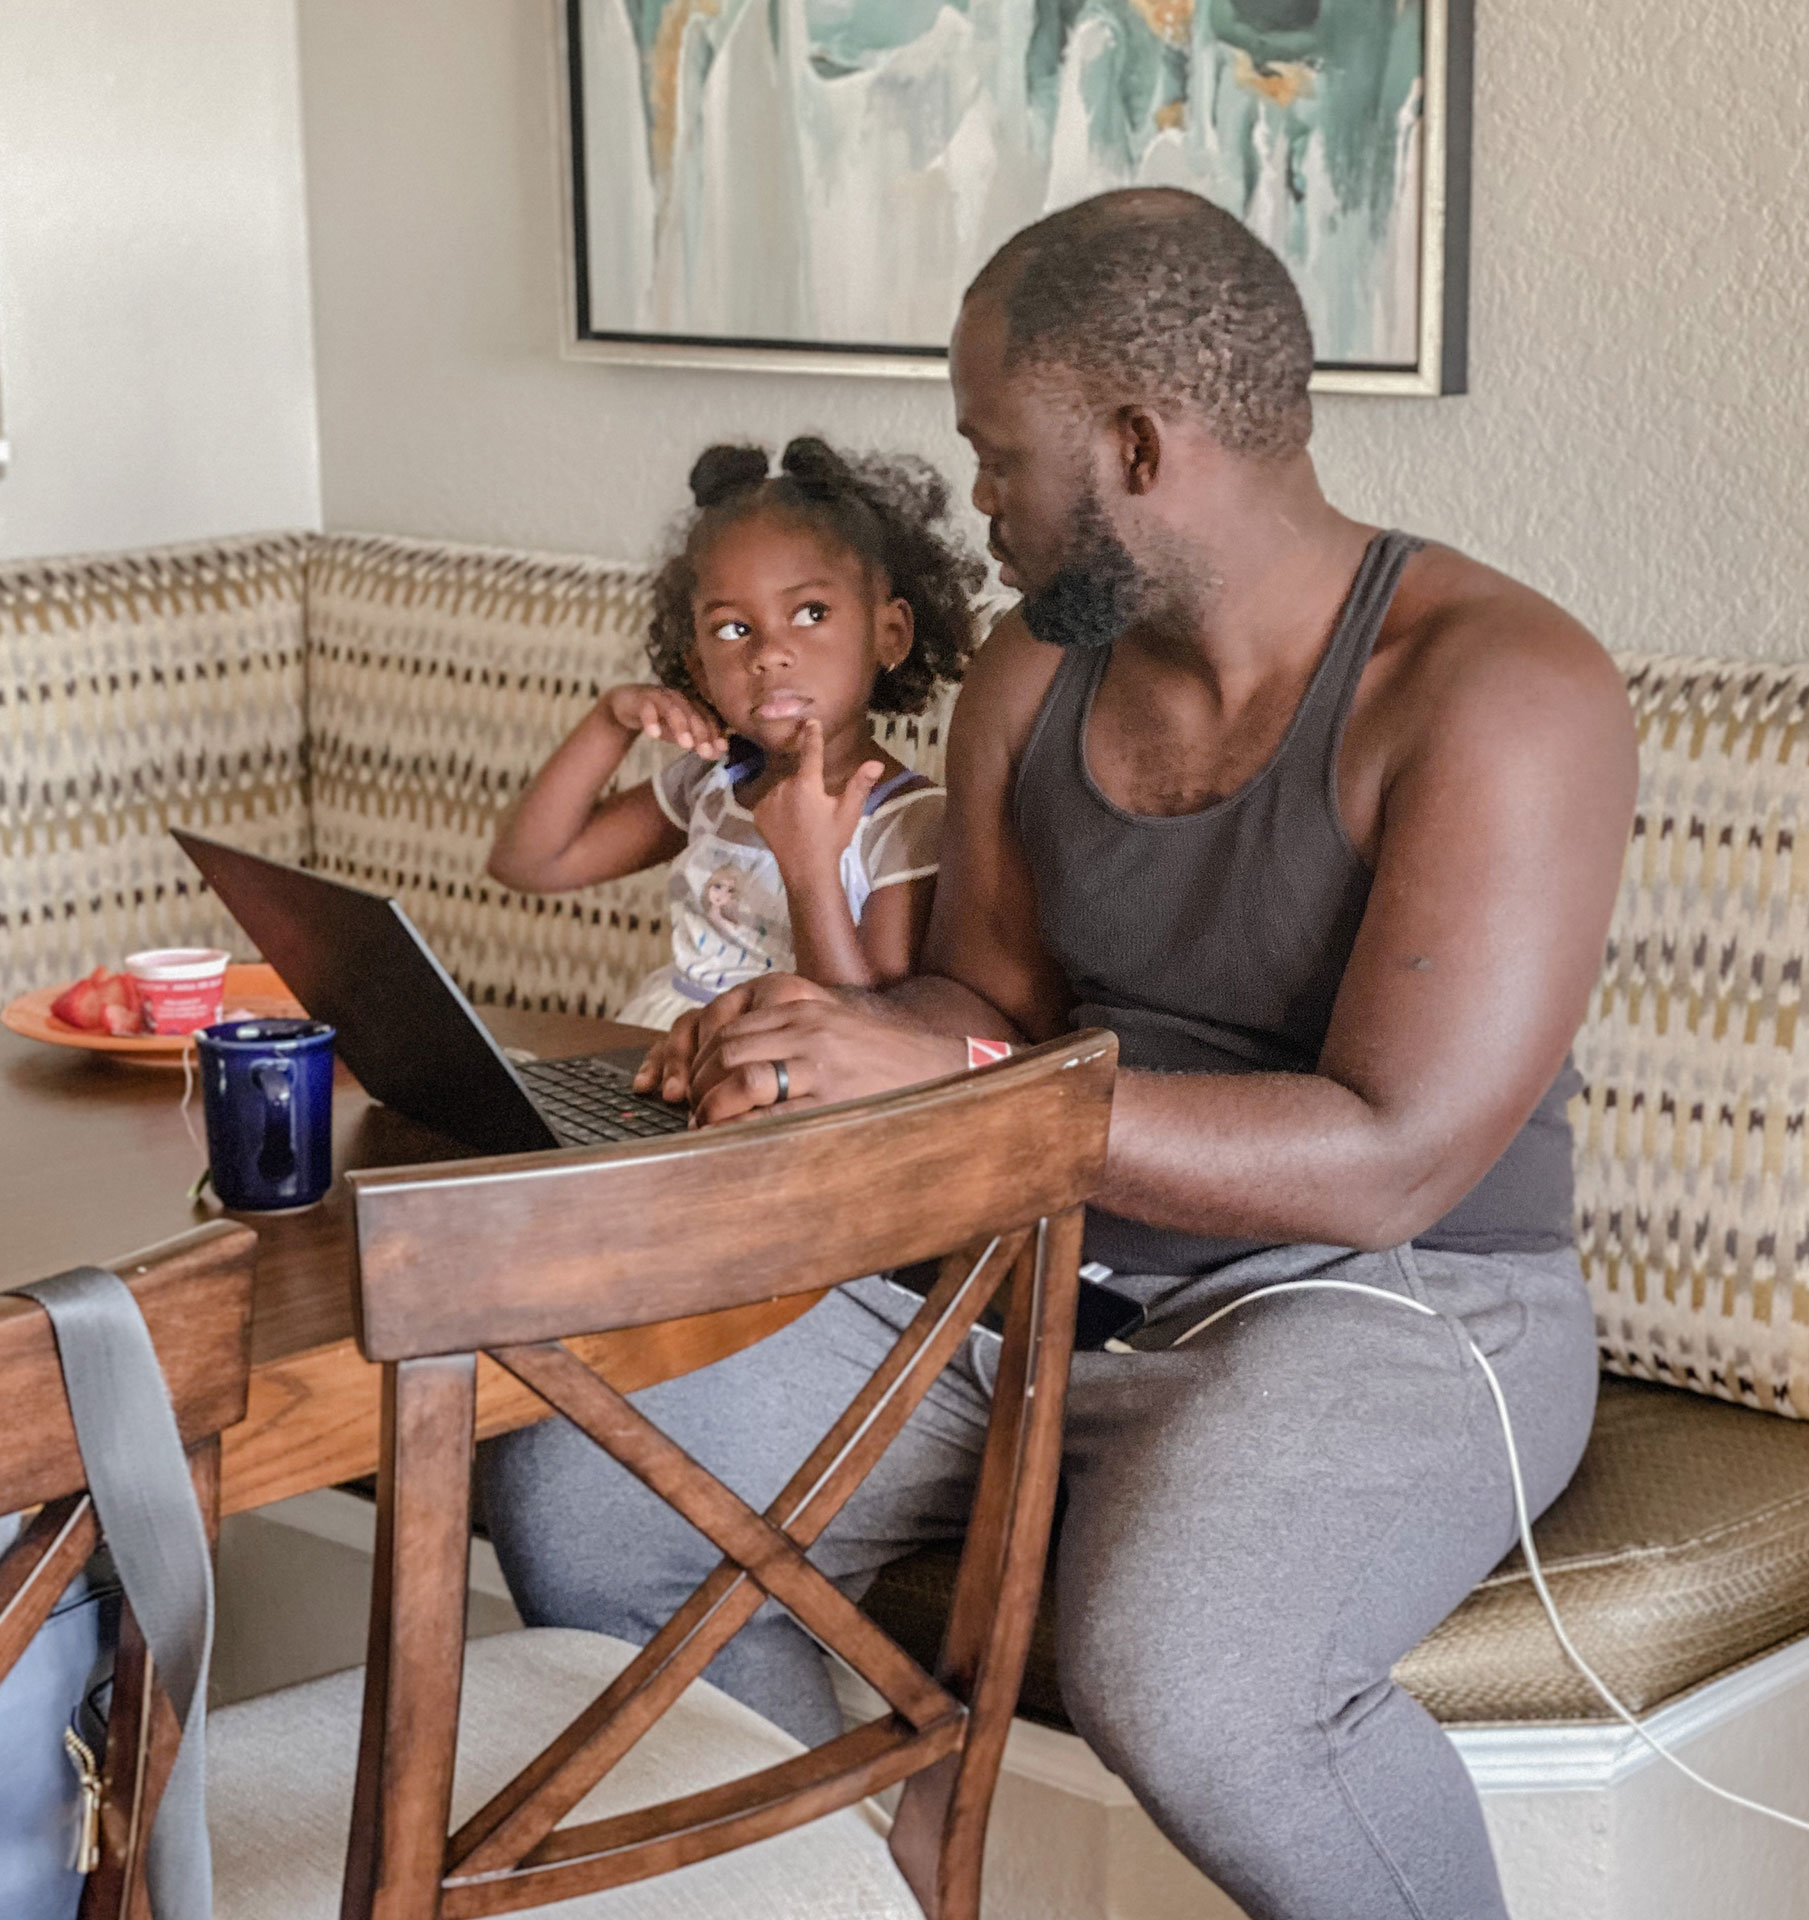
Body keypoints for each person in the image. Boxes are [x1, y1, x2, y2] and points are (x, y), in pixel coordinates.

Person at [480, 192, 1638, 1920]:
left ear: (1137, 447)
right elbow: (984, 1008)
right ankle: (844, 1897)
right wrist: (833, 1033)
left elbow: (1393, 1155)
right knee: (582, 1487)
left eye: (995, 453)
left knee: (1188, 1669)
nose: (978, 505)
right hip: (1039, 1260)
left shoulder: (1498, 687)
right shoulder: (1039, 659)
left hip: (1395, 1302)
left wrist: (951, 1091)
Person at [486, 436, 982, 1025]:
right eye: (731, 629)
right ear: (698, 665)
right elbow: (529, 863)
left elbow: (862, 1033)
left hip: (783, 1084)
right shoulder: (711, 781)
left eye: (811, 613)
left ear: (890, 634)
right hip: (654, 1051)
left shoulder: (909, 823)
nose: (769, 653)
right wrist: (609, 721)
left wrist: (809, 869)